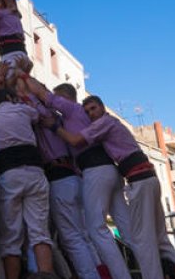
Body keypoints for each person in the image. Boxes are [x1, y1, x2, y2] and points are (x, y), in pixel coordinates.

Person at [58, 95, 175, 279]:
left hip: (139, 179)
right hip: (148, 177)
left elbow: (75, 141)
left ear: (102, 108)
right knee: (160, 237)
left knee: (142, 239)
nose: (91, 114)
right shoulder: (111, 122)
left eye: (93, 108)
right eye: (88, 111)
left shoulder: (103, 123)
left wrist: (54, 126)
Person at [25, 78, 129, 279]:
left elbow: (36, 100)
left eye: (57, 99)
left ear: (66, 99)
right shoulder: (70, 121)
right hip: (80, 179)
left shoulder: (62, 115)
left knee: (74, 237)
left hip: (64, 178)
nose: (54, 102)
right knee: (88, 235)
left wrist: (22, 80)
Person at [29, 94, 99, 279]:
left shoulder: (46, 116)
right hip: (76, 178)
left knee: (72, 238)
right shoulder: (63, 120)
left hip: (59, 178)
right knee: (84, 235)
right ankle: (102, 272)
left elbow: (34, 105)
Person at [0, 85, 54, 279]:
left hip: (9, 174)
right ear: (10, 97)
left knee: (10, 238)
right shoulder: (23, 110)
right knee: (40, 233)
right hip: (35, 171)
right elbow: (37, 115)